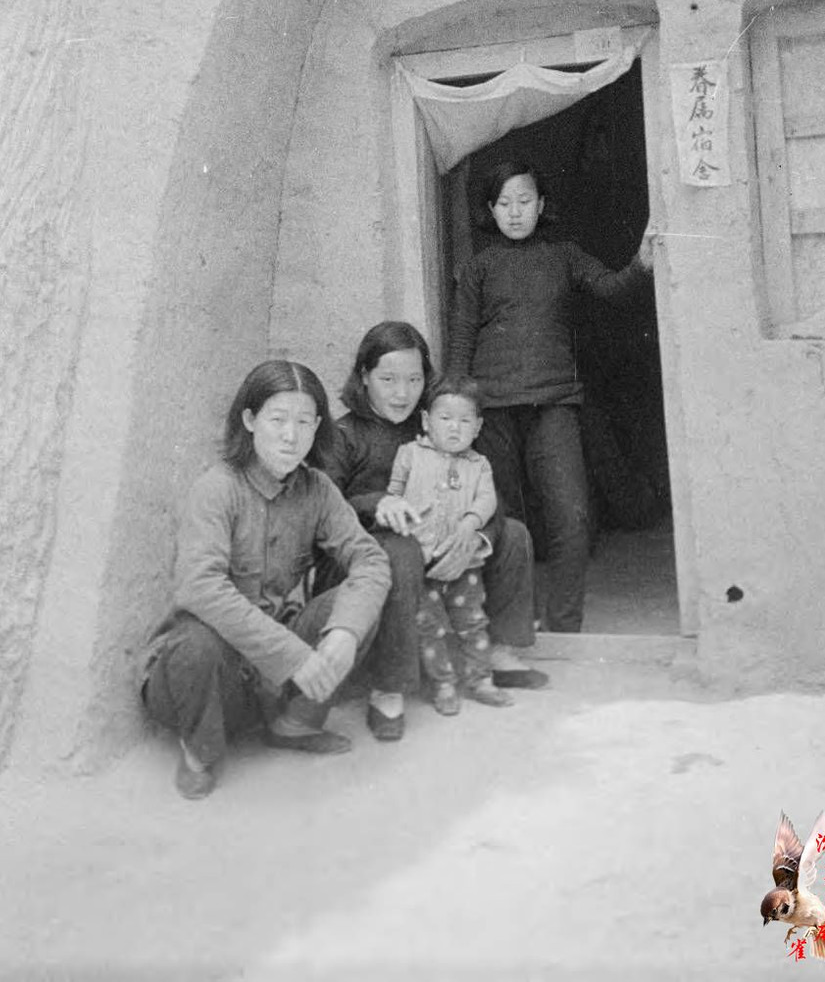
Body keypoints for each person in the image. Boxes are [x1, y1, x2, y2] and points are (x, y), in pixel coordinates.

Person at [141, 360, 391, 799]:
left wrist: (346, 632)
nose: (291, 436)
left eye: (304, 421)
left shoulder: (317, 489)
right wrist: (294, 657)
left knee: (356, 604)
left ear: (317, 427)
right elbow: (200, 587)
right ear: (250, 420)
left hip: (266, 681)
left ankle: (294, 724)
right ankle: (201, 750)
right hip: (205, 678)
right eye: (277, 420)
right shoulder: (217, 488)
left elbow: (370, 559)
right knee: (194, 643)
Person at [447, 156, 654, 634]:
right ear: (490, 210)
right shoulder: (478, 268)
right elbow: (461, 342)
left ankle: (563, 627)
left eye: (524, 200)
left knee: (572, 519)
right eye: (504, 203)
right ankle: (515, 626)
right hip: (492, 410)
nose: (515, 212)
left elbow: (613, 288)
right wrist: (454, 415)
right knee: (505, 523)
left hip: (554, 404)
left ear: (541, 204)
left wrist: (642, 261)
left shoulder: (564, 256)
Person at [318, 320, 548, 744]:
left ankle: (496, 650)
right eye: (388, 379)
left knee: (513, 533)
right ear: (364, 376)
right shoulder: (343, 435)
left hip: (441, 547)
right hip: (369, 558)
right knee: (401, 552)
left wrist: (473, 535)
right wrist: (376, 503)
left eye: (414, 379)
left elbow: (485, 492)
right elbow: (323, 508)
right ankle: (388, 686)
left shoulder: (439, 422)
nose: (401, 393)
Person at [387, 374, 513, 715]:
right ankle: (442, 683)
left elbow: (487, 500)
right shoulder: (409, 454)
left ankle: (480, 679)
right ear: (426, 421)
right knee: (428, 627)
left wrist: (471, 522)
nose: (454, 428)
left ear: (478, 427)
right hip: (421, 564)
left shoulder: (479, 465)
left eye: (465, 421)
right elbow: (393, 493)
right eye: (445, 418)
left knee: (472, 621)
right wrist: (394, 506)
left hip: (464, 564)